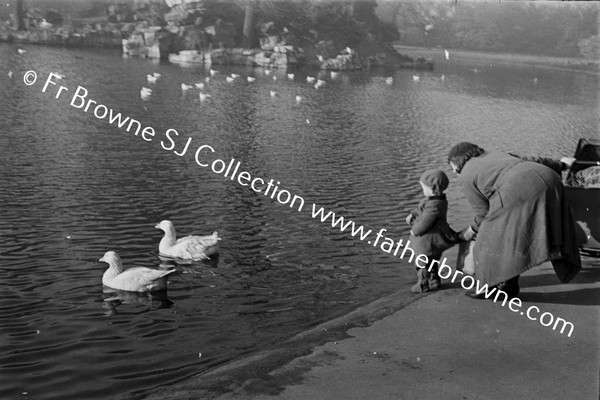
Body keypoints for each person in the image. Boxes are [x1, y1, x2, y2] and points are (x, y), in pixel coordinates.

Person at [447, 142, 581, 299]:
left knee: (490, 235)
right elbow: (532, 160)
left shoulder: (466, 176)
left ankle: (496, 285)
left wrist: (470, 231)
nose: (454, 172)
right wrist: (561, 164)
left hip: (520, 188)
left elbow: (483, 214)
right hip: (550, 179)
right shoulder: (496, 153)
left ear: (457, 163)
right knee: (512, 232)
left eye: (452, 168)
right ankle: (507, 283)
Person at [406, 169, 459, 293]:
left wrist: (415, 231)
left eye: (424, 188)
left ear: (432, 189)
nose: (423, 190)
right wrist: (412, 214)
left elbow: (425, 221)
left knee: (422, 263)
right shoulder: (437, 201)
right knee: (432, 262)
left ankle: (422, 284)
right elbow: (421, 208)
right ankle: (434, 281)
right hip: (435, 240)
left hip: (428, 240)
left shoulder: (434, 205)